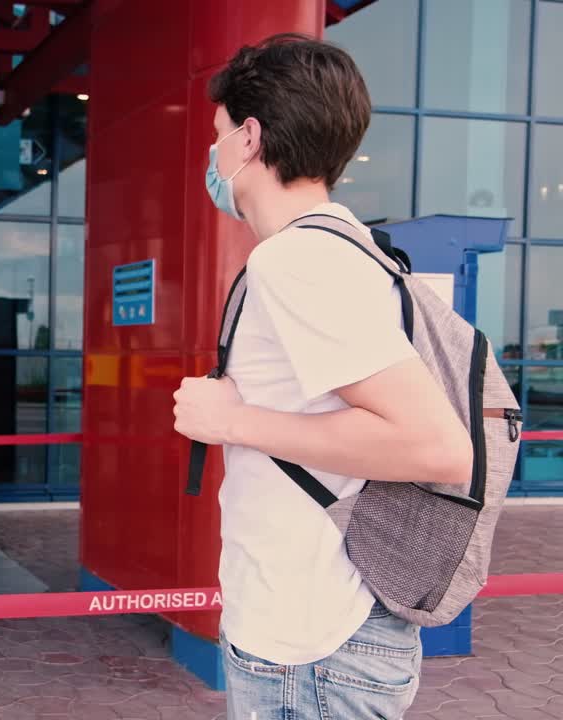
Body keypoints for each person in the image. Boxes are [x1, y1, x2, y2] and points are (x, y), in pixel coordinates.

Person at [171, 33, 472, 720]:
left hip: (310, 645)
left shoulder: (299, 261)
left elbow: (434, 447)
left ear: (249, 139)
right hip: (327, 632)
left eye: (218, 135)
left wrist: (230, 421)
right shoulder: (344, 246)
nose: (212, 155)